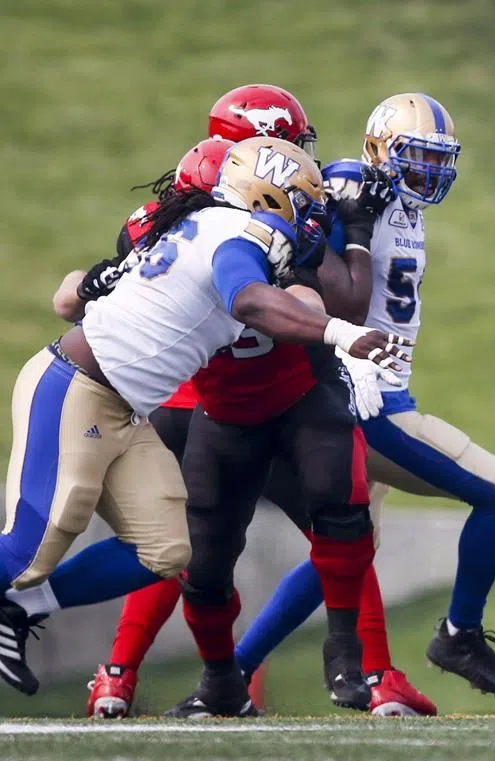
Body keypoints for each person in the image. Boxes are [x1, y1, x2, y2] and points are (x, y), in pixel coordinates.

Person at [0, 136, 410, 700]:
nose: (310, 220)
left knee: (170, 550)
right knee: (29, 545)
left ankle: (22, 609)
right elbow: (247, 301)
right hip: (76, 387)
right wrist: (344, 333)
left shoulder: (205, 225)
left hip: (127, 409)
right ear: (267, 196)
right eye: (301, 204)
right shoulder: (234, 232)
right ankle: (21, 594)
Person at [231, 92, 495, 702]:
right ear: (377, 150)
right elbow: (305, 267)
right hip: (366, 399)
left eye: (438, 160)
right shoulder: (349, 185)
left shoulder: (406, 207)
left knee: (341, 554)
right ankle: (459, 634)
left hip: (378, 391)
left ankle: (230, 673)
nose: (429, 173)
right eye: (416, 157)